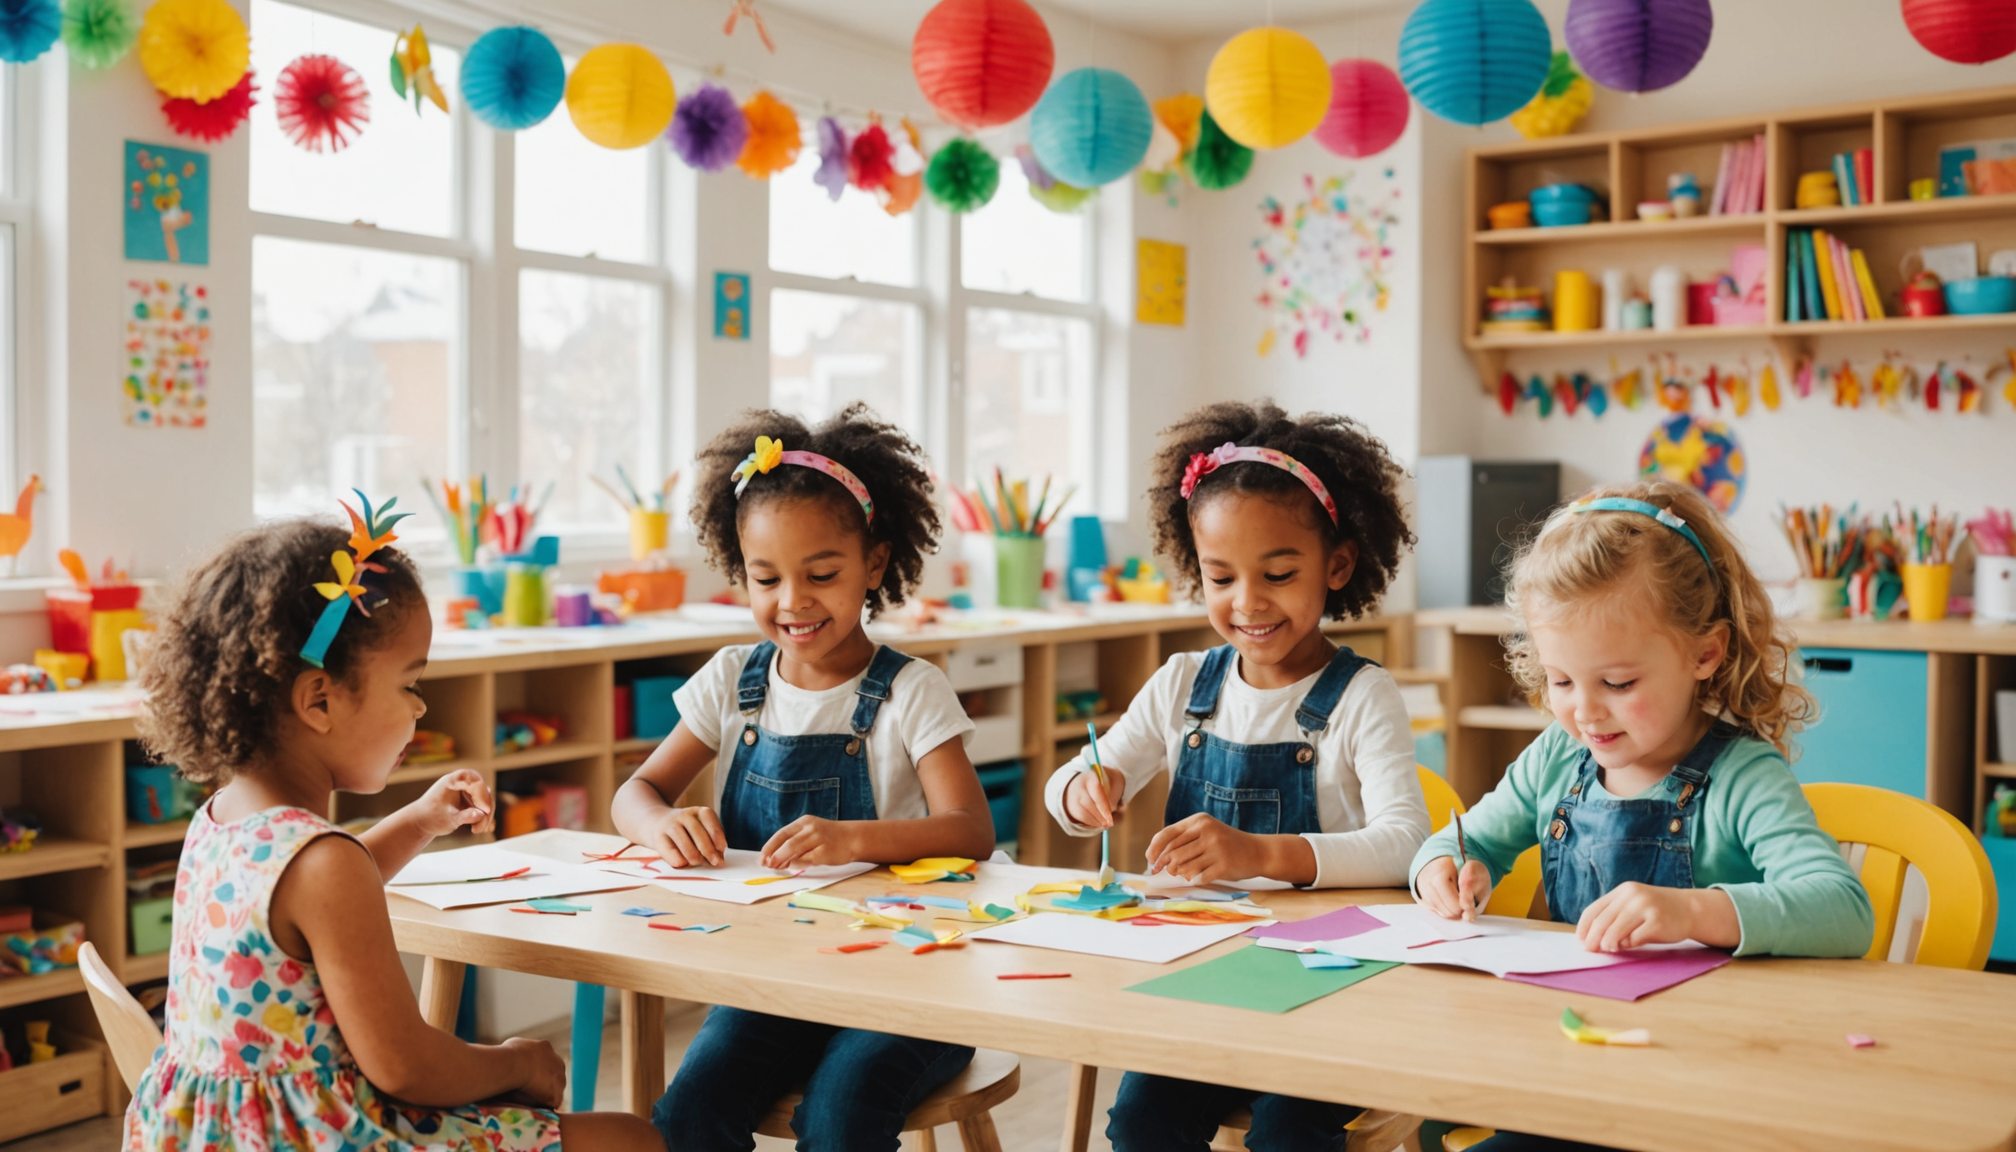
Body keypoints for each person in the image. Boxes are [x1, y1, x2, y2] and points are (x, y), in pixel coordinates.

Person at [124, 504, 661, 1152]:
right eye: (411, 683)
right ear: (320, 699)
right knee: (631, 1137)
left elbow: (310, 902)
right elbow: (407, 1067)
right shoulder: (325, 867)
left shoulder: (220, 820)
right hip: (323, 1137)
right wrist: (517, 1061)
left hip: (219, 1135)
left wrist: (419, 821)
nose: (421, 706)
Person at [1412, 481, 1875, 1152]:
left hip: (1708, 1082)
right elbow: (1463, 838)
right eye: (1561, 681)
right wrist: (1444, 869)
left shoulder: (1744, 777)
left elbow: (1843, 909)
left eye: (1619, 684)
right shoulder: (1556, 757)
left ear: (1704, 653)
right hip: (1571, 1062)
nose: (1585, 713)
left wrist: (1693, 913)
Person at [1049, 400, 1429, 1152]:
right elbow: (1083, 776)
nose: (1248, 602)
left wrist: (1259, 854)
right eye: (1220, 576)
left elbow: (1406, 843)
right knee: (1142, 1125)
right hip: (1202, 976)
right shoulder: (1183, 684)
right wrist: (1084, 789)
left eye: (1279, 574)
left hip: (1332, 983)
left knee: (1289, 1132)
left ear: (1338, 566)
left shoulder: (1361, 696)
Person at [614, 404, 994, 1152]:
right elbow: (636, 793)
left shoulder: (911, 691)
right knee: (688, 1115)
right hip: (770, 981)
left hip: (907, 980)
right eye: (766, 578)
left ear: (874, 565)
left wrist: (851, 837)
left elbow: (971, 834)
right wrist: (661, 824)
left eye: (822, 574)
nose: (793, 602)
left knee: (840, 1114)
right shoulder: (732, 679)